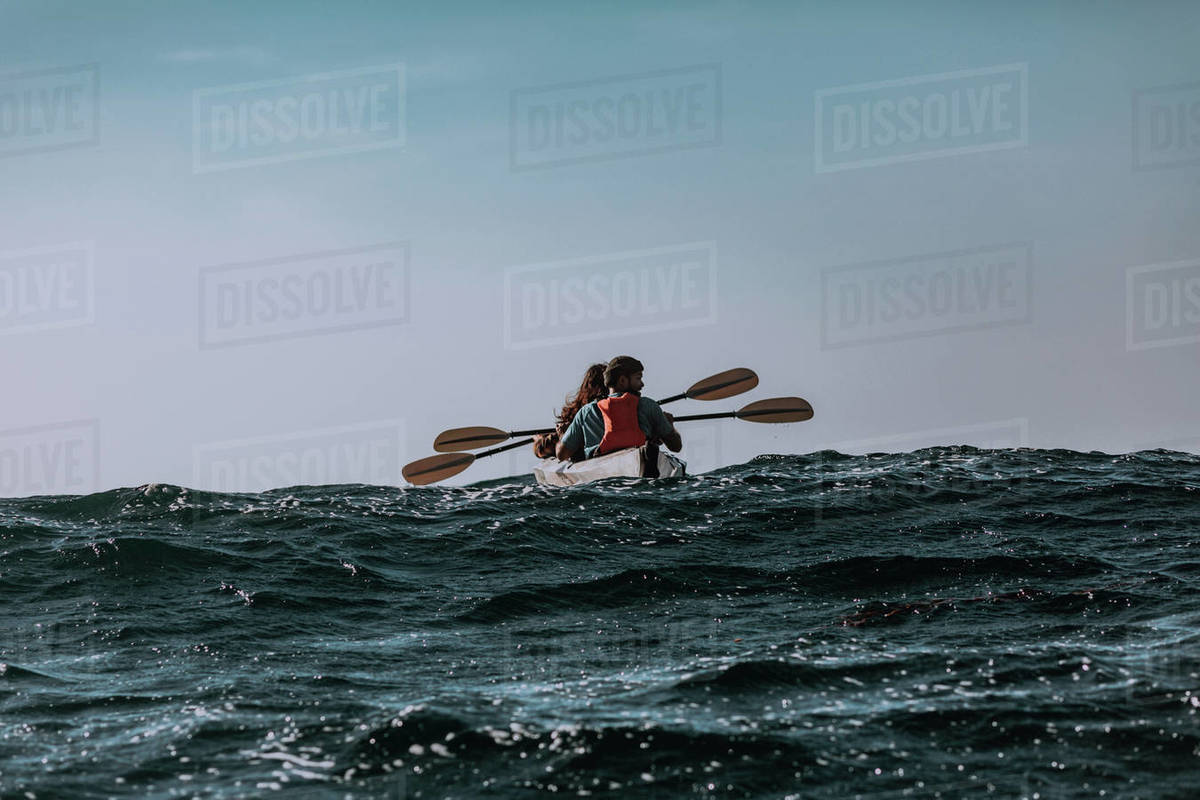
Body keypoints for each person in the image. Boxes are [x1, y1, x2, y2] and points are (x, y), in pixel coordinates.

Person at [555, 355, 682, 462]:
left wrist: (563, 436)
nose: (642, 384)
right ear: (622, 380)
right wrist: (669, 425)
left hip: (601, 473)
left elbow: (562, 455)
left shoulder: (586, 412)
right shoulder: (649, 405)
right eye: (638, 378)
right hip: (641, 464)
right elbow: (676, 446)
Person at [532, 363, 607, 459]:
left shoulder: (585, 412)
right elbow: (545, 450)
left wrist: (563, 435)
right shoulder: (582, 413)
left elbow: (560, 453)